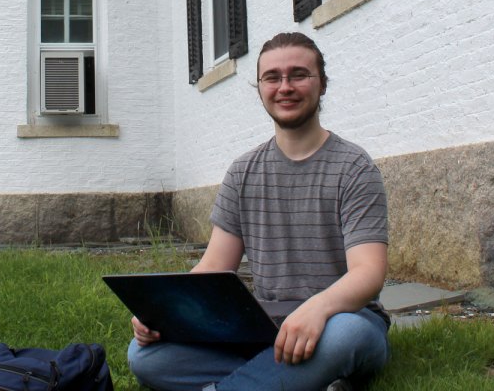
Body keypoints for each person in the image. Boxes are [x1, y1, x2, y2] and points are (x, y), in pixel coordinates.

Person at [127, 32, 390, 391]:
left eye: (299, 75)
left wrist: (317, 310)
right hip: (265, 329)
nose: (285, 87)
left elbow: (369, 273)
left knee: (344, 337)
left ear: (322, 84)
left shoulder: (355, 167)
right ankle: (300, 378)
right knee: (144, 355)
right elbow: (214, 268)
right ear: (260, 88)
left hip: (343, 319)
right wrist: (165, 311)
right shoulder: (243, 171)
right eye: (272, 77)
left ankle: (253, 381)